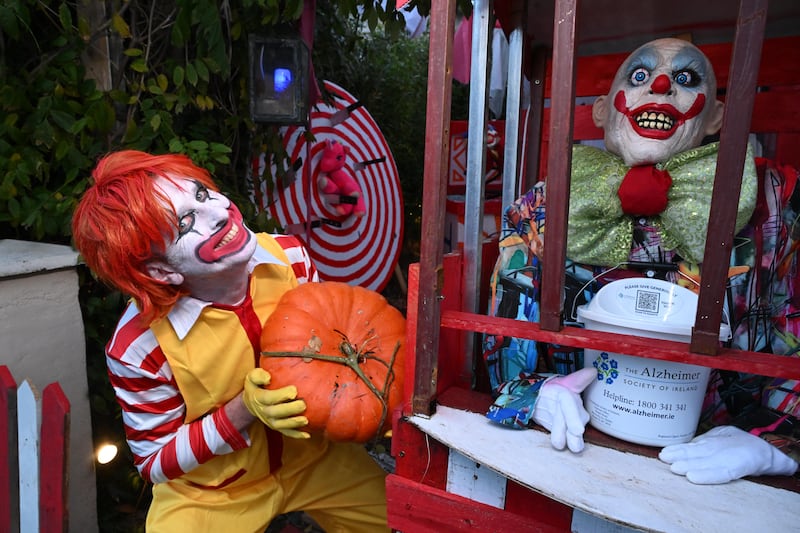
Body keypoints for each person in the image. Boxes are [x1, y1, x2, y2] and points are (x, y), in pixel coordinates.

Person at [485, 38, 799, 484]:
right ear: (600, 111)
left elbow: (794, 325)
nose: (662, 85)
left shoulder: (773, 204)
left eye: (686, 79)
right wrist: (538, 395)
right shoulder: (542, 207)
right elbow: (507, 335)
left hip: (718, 464)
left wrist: (774, 440)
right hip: (570, 453)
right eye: (638, 76)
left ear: (715, 117)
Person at [71, 150, 389, 532]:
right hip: (213, 493)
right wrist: (241, 411)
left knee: (410, 520)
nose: (220, 212)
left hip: (317, 460)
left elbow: (336, 355)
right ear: (160, 270)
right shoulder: (138, 347)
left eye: (203, 194)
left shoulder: (292, 257)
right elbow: (153, 461)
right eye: (187, 223)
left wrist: (374, 401)